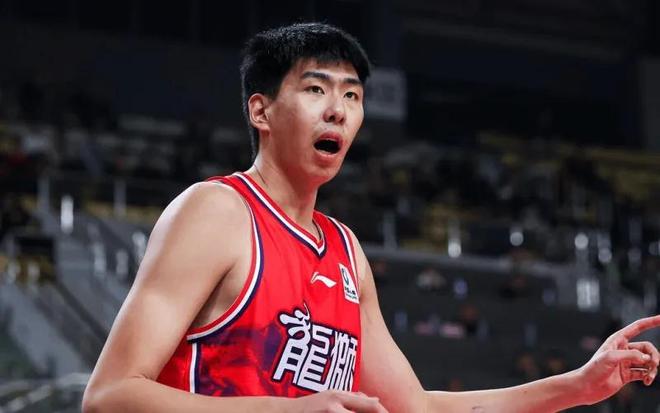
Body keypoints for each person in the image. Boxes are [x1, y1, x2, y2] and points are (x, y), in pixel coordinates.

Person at [82, 22, 660, 413]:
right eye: (315, 89)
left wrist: (576, 386)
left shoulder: (345, 251)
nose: (337, 109)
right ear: (261, 110)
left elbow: (416, 408)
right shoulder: (216, 212)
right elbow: (109, 395)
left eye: (352, 95)